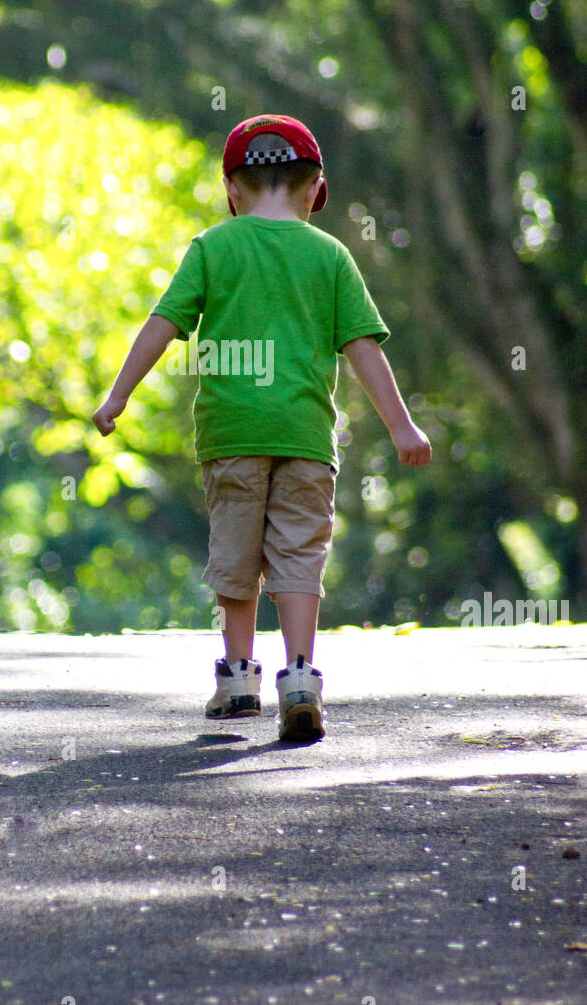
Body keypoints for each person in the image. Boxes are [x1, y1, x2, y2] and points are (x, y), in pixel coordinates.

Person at [93, 114, 431, 741]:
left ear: (232, 190)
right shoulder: (331, 255)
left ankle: (238, 679)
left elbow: (163, 324)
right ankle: (301, 676)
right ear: (313, 191)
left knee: (236, 558)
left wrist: (118, 396)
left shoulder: (212, 247)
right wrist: (402, 428)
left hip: (232, 436)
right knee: (299, 555)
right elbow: (363, 351)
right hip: (305, 439)